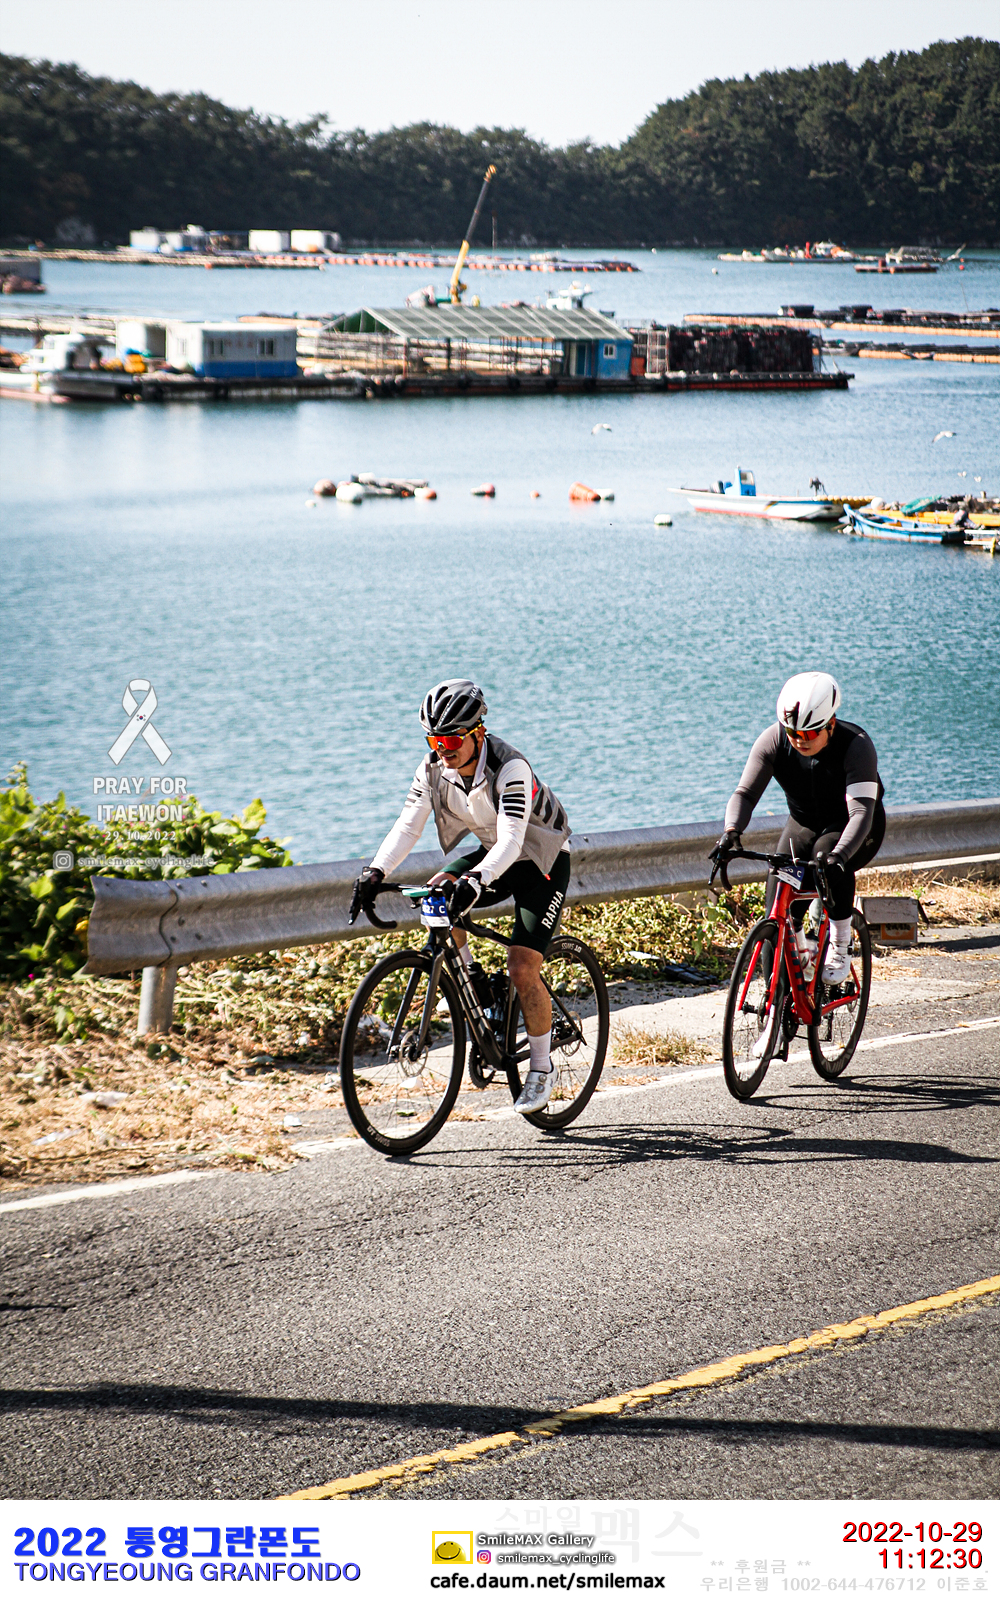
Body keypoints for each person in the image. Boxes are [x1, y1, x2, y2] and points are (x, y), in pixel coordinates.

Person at [351, 679, 572, 1113]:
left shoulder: (510, 767)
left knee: (522, 966)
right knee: (437, 897)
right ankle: (477, 988)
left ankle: (541, 1069)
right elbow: (408, 825)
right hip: (494, 854)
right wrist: (376, 871)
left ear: (478, 732)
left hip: (540, 860)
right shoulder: (433, 768)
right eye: (434, 740)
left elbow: (512, 840)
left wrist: (475, 879)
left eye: (451, 739)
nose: (442, 749)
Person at [716, 672, 885, 984]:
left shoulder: (856, 746)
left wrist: (840, 855)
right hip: (803, 823)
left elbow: (861, 812)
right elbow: (745, 794)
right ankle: (783, 981)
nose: (799, 740)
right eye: (792, 732)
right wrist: (731, 831)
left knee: (825, 857)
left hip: (854, 826)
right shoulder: (774, 740)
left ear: (830, 724)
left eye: (809, 733)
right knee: (778, 903)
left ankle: (841, 941)